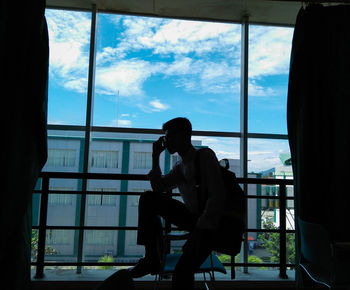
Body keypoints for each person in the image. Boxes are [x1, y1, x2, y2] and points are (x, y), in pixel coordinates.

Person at [129, 117, 244, 289]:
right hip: (195, 218)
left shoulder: (204, 156)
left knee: (183, 271)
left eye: (169, 137)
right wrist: (155, 156)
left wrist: (199, 231)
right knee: (148, 199)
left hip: (211, 224)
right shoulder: (181, 165)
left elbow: (216, 197)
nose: (166, 141)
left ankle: (152, 259)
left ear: (184, 135)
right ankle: (152, 258)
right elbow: (159, 187)